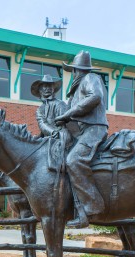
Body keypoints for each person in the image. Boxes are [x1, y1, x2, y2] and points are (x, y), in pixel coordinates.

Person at [55, 50, 109, 228]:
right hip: (81, 131)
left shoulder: (90, 78)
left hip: (94, 129)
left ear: (79, 70)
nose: (74, 73)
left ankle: (92, 206)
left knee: (74, 160)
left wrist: (69, 113)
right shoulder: (75, 90)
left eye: (75, 70)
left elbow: (95, 97)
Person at [32, 74, 68, 139]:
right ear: (40, 90)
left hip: (62, 137)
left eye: (50, 86)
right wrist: (53, 132)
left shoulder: (60, 104)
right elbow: (42, 124)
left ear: (53, 89)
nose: (48, 88)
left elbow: (65, 123)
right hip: (49, 137)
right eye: (45, 86)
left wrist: (58, 133)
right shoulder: (40, 109)